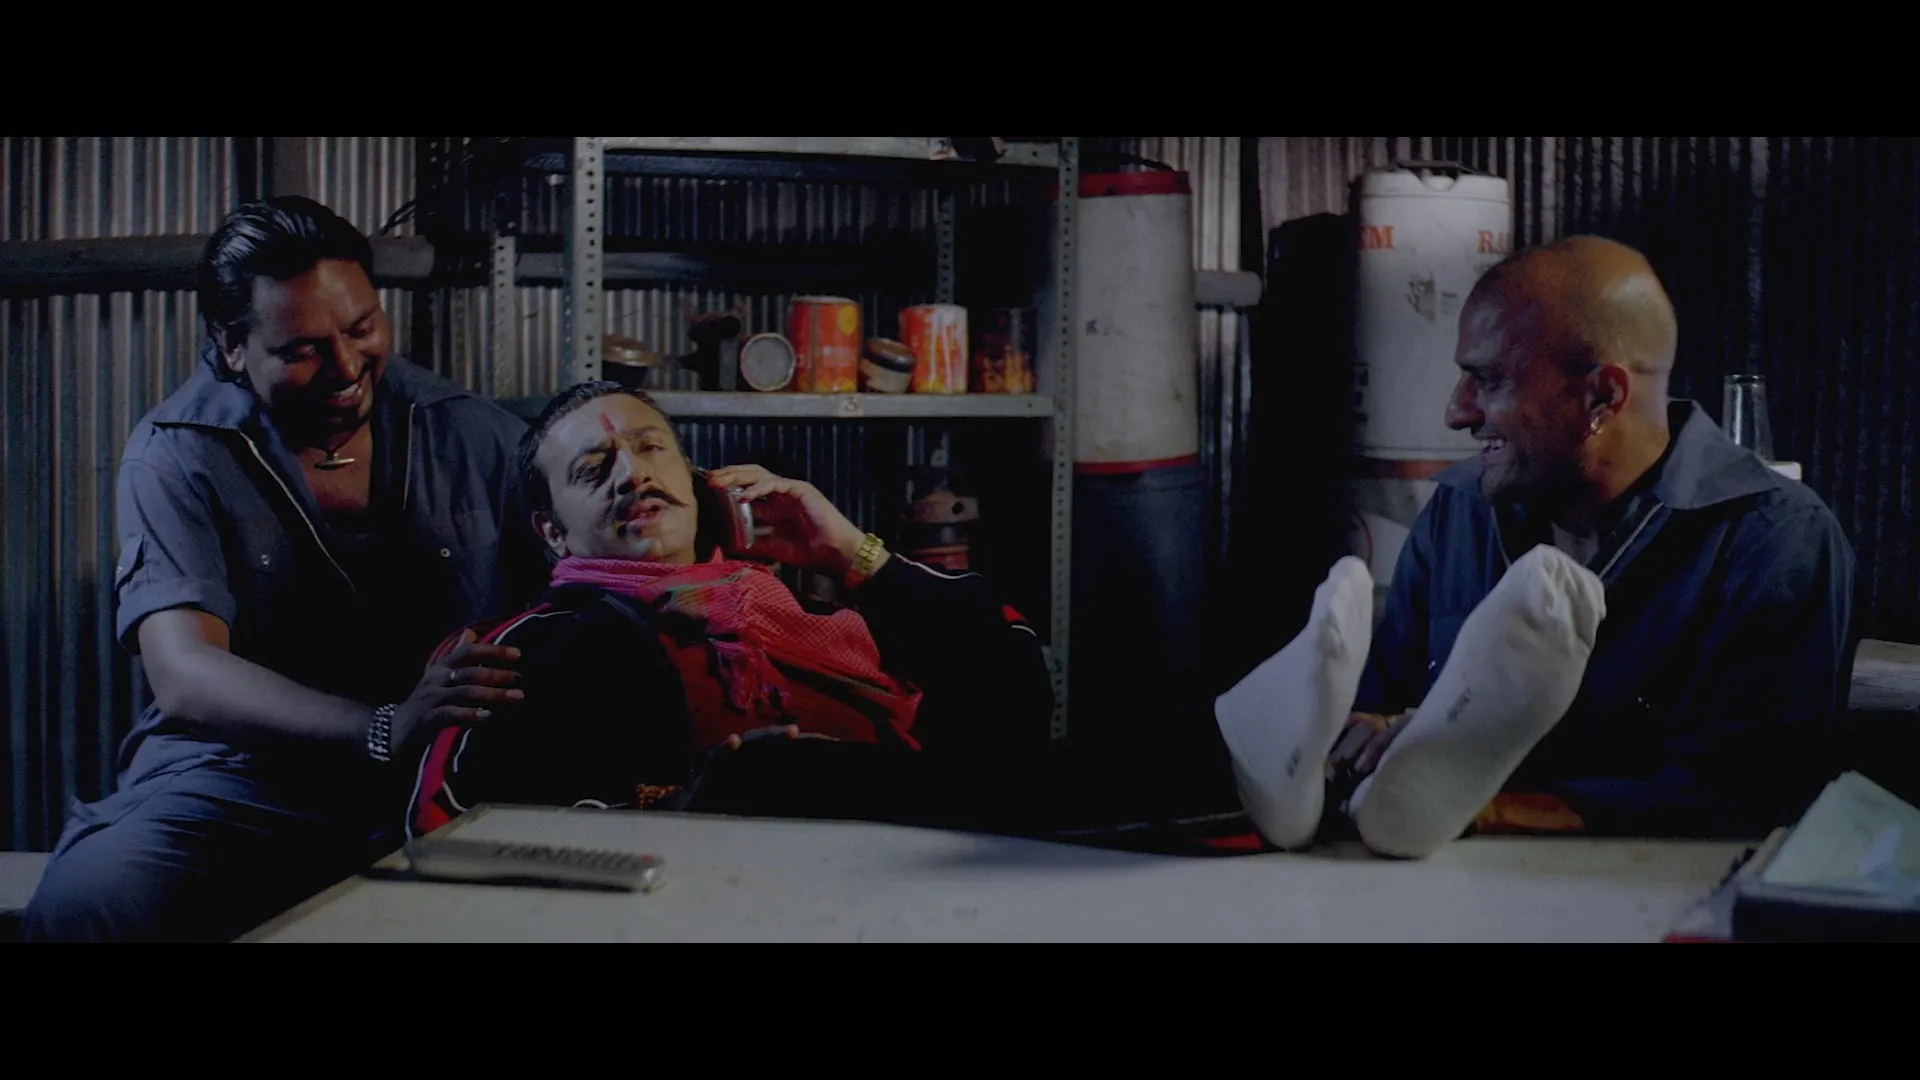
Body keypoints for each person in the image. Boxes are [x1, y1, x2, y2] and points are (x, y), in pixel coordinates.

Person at [1215, 234, 1857, 858]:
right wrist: (1369, 738)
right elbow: (1384, 691)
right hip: (1429, 890)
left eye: (1488, 380)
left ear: (1602, 396)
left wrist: (1481, 807)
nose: (1457, 413)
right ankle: (1277, 753)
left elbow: (1745, 796)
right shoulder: (1460, 510)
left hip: (1645, 896)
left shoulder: (1774, 540)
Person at [23, 196, 544, 942]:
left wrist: (711, 510)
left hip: (443, 770)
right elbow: (185, 671)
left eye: (362, 327)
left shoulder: (471, 431)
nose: (346, 368)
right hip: (240, 777)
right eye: (302, 349)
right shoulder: (176, 452)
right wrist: (381, 726)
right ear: (232, 346)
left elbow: (598, 542)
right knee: (88, 902)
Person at [404, 381, 1062, 841]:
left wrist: (848, 554)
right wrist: (680, 818)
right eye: (593, 469)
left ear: (694, 481)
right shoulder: (527, 653)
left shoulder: (812, 612)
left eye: (651, 447)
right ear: (553, 532)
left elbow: (1015, 681)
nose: (632, 474)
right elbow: (447, 833)